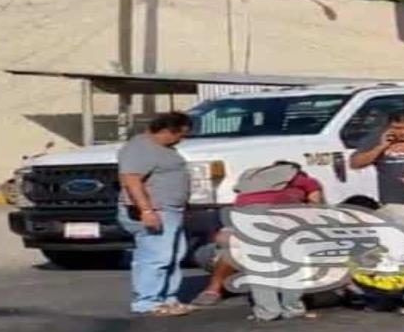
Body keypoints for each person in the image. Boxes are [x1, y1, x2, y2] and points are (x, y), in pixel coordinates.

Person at [192, 161, 325, 308]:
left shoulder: (253, 181)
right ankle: (296, 298)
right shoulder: (305, 181)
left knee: (234, 249)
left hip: (245, 227)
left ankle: (213, 290)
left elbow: (223, 235)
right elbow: (315, 207)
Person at [116, 112, 195, 317]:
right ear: (167, 131)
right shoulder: (140, 147)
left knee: (174, 255)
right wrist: (146, 210)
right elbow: (131, 180)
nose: (182, 139)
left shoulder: (164, 149)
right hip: (156, 209)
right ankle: (147, 301)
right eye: (181, 134)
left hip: (171, 210)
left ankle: (168, 298)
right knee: (155, 256)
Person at [350, 111, 404, 218]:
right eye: (397, 128)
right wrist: (382, 146)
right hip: (394, 201)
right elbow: (355, 163)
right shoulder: (379, 138)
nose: (403, 132)